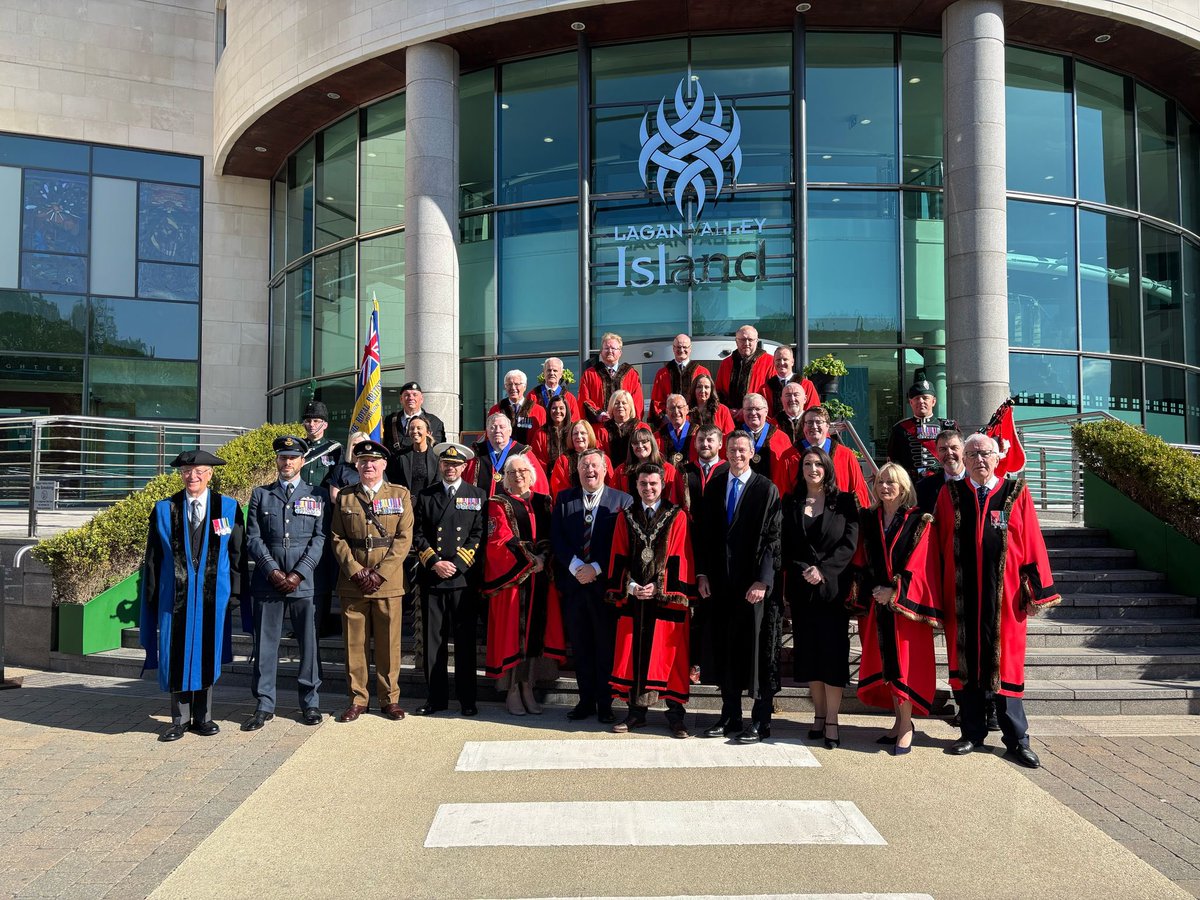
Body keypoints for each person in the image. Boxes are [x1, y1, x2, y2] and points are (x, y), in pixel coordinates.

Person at [934, 433, 1060, 769]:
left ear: (997, 457)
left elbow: (1032, 541)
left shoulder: (1015, 493)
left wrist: (1037, 593)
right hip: (961, 599)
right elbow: (936, 547)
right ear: (965, 459)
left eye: (985, 453)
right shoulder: (950, 495)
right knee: (968, 665)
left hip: (1005, 600)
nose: (978, 460)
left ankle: (1017, 740)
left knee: (1006, 668)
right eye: (972, 454)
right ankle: (971, 733)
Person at [139, 449, 246, 742]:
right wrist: (151, 595)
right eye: (187, 471)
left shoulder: (227, 508)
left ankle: (204, 717)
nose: (192, 476)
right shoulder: (164, 509)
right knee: (176, 654)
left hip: (213, 596)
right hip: (175, 597)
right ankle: (179, 719)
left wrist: (235, 593)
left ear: (210, 474)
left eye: (199, 471)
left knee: (205, 653)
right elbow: (152, 558)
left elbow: (237, 555)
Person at [694, 431, 783, 743]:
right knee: (726, 650)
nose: (736, 454)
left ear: (751, 453)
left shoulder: (766, 489)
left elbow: (773, 539)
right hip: (721, 585)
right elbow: (704, 535)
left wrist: (763, 580)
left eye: (742, 449)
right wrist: (702, 574)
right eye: (732, 449)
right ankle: (730, 715)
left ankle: (761, 719)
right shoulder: (716, 486)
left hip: (754, 587)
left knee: (758, 654)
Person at [850, 462, 940, 756]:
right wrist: (865, 593)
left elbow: (921, 564)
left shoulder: (919, 522)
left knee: (903, 667)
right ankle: (898, 722)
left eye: (891, 482)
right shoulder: (869, 519)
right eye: (880, 482)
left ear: (904, 488)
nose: (885, 487)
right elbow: (861, 559)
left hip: (905, 609)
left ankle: (906, 727)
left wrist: (895, 590)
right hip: (877, 606)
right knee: (887, 666)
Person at [241, 436, 327, 732]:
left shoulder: (317, 494)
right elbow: (253, 538)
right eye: (282, 457)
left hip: (303, 583)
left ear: (303, 461)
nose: (287, 462)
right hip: (269, 582)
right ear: (277, 461)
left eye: (292, 457)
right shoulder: (260, 495)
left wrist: (299, 573)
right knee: (265, 646)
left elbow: (320, 539)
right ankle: (264, 704)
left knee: (308, 644)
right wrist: (273, 571)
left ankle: (310, 702)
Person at [606, 464, 697, 738]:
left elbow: (680, 556)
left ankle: (676, 715)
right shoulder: (626, 515)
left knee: (671, 657)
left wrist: (658, 587)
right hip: (635, 598)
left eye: (653, 483)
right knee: (633, 653)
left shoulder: (677, 516)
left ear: (662, 485)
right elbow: (618, 554)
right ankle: (636, 713)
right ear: (636, 486)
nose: (648, 488)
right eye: (643, 483)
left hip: (666, 600)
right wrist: (631, 586)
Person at [329, 440, 414, 723]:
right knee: (355, 643)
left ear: (384, 465)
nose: (368, 465)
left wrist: (380, 573)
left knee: (390, 644)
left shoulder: (400, 495)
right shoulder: (346, 497)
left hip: (387, 582)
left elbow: (404, 539)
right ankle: (358, 699)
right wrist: (355, 570)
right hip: (353, 581)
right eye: (363, 461)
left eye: (374, 461)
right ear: (356, 465)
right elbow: (337, 538)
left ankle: (390, 700)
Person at [783, 446, 860, 750]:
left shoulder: (844, 502)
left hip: (833, 590)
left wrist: (823, 570)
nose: (812, 468)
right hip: (803, 591)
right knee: (810, 656)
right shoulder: (791, 502)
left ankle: (832, 720)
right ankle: (817, 716)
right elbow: (786, 544)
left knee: (833, 656)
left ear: (827, 468)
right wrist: (804, 568)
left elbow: (850, 543)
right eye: (807, 464)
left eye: (818, 464)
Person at [551, 448, 633, 724]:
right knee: (581, 646)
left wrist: (595, 568)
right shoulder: (565, 499)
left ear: (605, 469)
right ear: (578, 470)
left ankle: (605, 702)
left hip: (605, 588)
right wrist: (576, 567)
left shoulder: (623, 501)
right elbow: (557, 538)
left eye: (595, 466)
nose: (590, 471)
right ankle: (585, 700)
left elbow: (623, 544)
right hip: (574, 586)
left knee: (604, 646)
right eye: (585, 466)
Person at [481, 454, 566, 715]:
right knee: (513, 637)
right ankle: (513, 690)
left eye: (522, 471)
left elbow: (552, 536)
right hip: (513, 584)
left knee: (535, 636)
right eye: (511, 472)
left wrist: (544, 557)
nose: (518, 476)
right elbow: (500, 540)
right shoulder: (498, 503)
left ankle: (528, 685)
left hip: (540, 582)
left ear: (531, 475)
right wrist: (532, 560)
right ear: (504, 478)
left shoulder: (544, 502)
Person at [411, 443, 486, 717]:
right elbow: (418, 534)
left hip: (462, 580)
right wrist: (434, 562)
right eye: (446, 463)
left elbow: (478, 534)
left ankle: (468, 699)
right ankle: (436, 698)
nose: (450, 468)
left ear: (464, 467)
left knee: (465, 643)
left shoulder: (477, 495)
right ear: (440, 465)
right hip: (433, 578)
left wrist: (455, 565)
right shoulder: (426, 495)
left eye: (455, 464)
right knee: (434, 643)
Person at [797, 405, 871, 508]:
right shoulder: (790, 456)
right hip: (802, 516)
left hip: (838, 517)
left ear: (827, 426)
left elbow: (858, 490)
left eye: (819, 422)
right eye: (809, 422)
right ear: (803, 426)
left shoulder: (845, 455)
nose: (814, 426)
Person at [887, 375, 956, 483]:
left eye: (925, 398)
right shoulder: (900, 429)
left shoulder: (947, 426)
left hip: (941, 482)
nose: (921, 401)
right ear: (911, 403)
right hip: (910, 484)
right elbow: (893, 460)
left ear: (933, 401)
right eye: (916, 398)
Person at [465, 412, 548, 497]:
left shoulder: (523, 453)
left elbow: (539, 486)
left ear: (510, 431)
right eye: (493, 427)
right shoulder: (476, 453)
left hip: (513, 508)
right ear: (487, 431)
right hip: (480, 507)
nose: (497, 431)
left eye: (502, 427)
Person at [737, 392, 796, 496]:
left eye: (757, 409)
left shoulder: (782, 438)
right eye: (748, 409)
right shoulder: (733, 438)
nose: (753, 413)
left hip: (772, 497)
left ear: (766, 411)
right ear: (743, 411)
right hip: (740, 496)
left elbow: (789, 472)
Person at [579, 332, 644, 424]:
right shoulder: (590, 374)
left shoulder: (631, 374)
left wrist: (632, 423)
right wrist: (599, 414)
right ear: (601, 352)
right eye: (606, 348)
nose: (610, 351)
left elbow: (637, 402)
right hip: (600, 429)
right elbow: (584, 399)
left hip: (625, 428)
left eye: (613, 348)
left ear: (620, 352)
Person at [612, 424, 684, 506]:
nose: (640, 446)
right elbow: (614, 499)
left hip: (661, 515)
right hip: (630, 516)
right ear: (631, 446)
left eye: (644, 442)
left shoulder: (668, 469)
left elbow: (674, 499)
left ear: (652, 443)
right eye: (635, 443)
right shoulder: (622, 470)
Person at [715, 324, 775, 415]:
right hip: (731, 418)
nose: (746, 343)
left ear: (756, 341)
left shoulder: (770, 362)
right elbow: (718, 392)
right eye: (742, 340)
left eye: (750, 340)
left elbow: (772, 396)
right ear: (736, 341)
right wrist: (727, 411)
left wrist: (748, 410)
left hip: (757, 418)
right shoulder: (726, 363)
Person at [650, 334, 710, 422]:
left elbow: (708, 399)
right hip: (670, 423)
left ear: (690, 348)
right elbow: (657, 401)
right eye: (678, 347)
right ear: (673, 349)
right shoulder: (662, 373)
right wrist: (665, 418)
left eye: (685, 347)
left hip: (696, 423)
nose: (682, 350)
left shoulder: (702, 372)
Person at [384, 381, 447, 455]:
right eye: (407, 395)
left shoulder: (434, 422)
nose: (411, 398)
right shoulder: (390, 420)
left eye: (415, 395)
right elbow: (386, 446)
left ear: (421, 399)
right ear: (401, 399)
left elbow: (438, 450)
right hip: (397, 465)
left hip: (424, 464)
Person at [488, 368, 547, 445]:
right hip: (504, 455)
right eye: (509, 384)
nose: (513, 388)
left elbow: (542, 439)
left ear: (525, 387)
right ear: (505, 387)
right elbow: (489, 436)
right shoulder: (496, 410)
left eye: (517, 384)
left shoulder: (539, 411)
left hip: (530, 455)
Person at [917, 427, 968, 513]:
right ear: (937, 453)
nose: (949, 453)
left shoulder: (977, 481)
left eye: (954, 448)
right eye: (943, 449)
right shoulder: (924, 487)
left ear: (964, 450)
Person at [387, 415, 440, 495]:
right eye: (412, 428)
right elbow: (393, 482)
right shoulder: (400, 456)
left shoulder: (437, 457)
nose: (415, 431)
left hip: (429, 503)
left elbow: (438, 482)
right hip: (406, 503)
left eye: (419, 428)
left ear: (428, 432)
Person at [763, 346, 819, 420]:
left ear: (792, 362)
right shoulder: (766, 388)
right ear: (774, 362)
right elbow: (765, 414)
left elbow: (813, 411)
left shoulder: (806, 385)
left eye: (785, 359)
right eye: (778, 360)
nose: (781, 363)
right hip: (776, 429)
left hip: (802, 428)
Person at [299, 400, 343, 488]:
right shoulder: (298, 447)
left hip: (323, 498)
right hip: (299, 499)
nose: (311, 424)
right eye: (308, 421)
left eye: (316, 421)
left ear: (325, 425)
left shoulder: (335, 449)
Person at [527, 393, 573, 474]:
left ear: (567, 410)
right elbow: (537, 461)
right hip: (549, 479)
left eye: (561, 408)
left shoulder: (574, 430)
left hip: (572, 476)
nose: (558, 411)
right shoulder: (541, 434)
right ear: (549, 411)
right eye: (554, 408)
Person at [595, 389, 641, 467]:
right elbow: (600, 456)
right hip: (610, 474)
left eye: (624, 403)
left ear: (630, 406)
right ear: (611, 407)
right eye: (616, 403)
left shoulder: (640, 427)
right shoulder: (602, 430)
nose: (620, 406)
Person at [528, 356, 581, 422]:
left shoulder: (569, 398)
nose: (552, 373)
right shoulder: (533, 395)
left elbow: (575, 422)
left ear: (561, 374)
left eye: (555, 370)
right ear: (544, 373)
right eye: (549, 370)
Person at [655, 393, 698, 468]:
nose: (676, 411)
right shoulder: (658, 436)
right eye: (672, 408)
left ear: (687, 409)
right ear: (667, 412)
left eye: (679, 407)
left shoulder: (697, 432)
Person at [326, 431, 368, 501]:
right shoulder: (340, 469)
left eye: (361, 444)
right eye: (354, 444)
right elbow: (334, 497)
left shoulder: (375, 468)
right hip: (346, 510)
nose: (357, 447)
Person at [773, 382, 809, 447]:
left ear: (805, 399)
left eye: (796, 395)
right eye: (788, 395)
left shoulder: (813, 422)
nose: (792, 399)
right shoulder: (772, 425)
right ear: (781, 399)